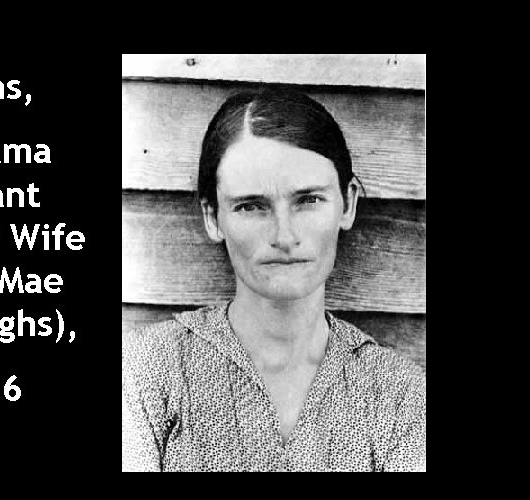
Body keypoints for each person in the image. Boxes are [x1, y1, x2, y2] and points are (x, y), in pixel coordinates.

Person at [122, 88, 425, 472]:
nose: (284, 236)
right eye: (251, 206)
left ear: (347, 204)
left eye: (308, 200)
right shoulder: (144, 372)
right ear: (213, 217)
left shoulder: (399, 395)